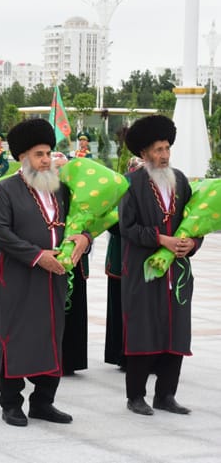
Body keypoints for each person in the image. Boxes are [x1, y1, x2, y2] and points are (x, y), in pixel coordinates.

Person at [0, 118, 89, 427]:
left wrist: (84, 239)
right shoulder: (6, 189)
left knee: (51, 336)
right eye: (39, 154)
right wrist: (36, 256)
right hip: (19, 276)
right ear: (23, 157)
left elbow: (80, 223)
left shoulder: (61, 190)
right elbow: (1, 233)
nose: (46, 160)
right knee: (15, 336)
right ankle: (11, 403)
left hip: (54, 278)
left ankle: (43, 401)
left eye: (48, 153)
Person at [119, 115, 200, 416]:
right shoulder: (131, 184)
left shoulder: (181, 181)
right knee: (143, 331)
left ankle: (166, 394)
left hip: (177, 273)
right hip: (143, 271)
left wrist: (192, 243)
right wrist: (160, 239)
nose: (164, 155)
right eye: (157, 150)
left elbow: (195, 224)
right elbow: (127, 228)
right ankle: (135, 396)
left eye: (167, 148)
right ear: (143, 154)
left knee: (176, 332)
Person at [51, 151, 88, 376]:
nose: (62, 171)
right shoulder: (45, 193)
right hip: (52, 260)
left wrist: (86, 238)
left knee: (74, 311)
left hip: (76, 261)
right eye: (58, 167)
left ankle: (71, 360)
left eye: (66, 166)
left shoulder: (80, 194)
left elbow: (90, 225)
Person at [104, 156, 143, 370]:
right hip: (122, 256)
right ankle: (121, 354)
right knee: (120, 307)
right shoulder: (120, 189)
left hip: (146, 257)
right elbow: (110, 222)